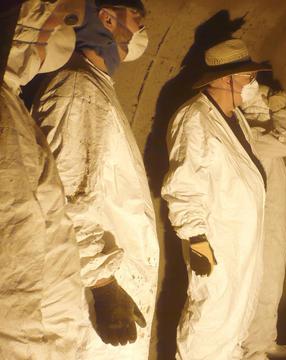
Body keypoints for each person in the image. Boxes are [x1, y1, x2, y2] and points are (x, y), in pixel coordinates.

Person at [31, 0, 158, 358]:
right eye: (137, 19)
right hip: (91, 289)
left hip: (107, 278)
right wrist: (102, 286)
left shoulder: (92, 86)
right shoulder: (77, 88)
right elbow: (66, 196)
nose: (140, 31)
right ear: (106, 18)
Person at [161, 38, 269, 360]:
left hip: (240, 242)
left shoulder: (235, 119)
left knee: (234, 321)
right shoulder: (194, 118)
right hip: (216, 241)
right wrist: (196, 237)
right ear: (226, 79)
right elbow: (184, 183)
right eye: (248, 77)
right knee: (210, 321)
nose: (253, 83)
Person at [0, 1, 85, 358]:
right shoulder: (4, 112)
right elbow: (12, 255)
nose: (46, 45)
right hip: (30, 335)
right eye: (45, 30)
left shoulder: (10, 101)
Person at [240, 82, 286, 359]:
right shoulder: (254, 133)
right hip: (262, 223)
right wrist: (282, 110)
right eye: (268, 99)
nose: (272, 102)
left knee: (273, 279)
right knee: (261, 281)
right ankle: (252, 348)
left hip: (274, 220)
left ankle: (265, 338)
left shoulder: (265, 132)